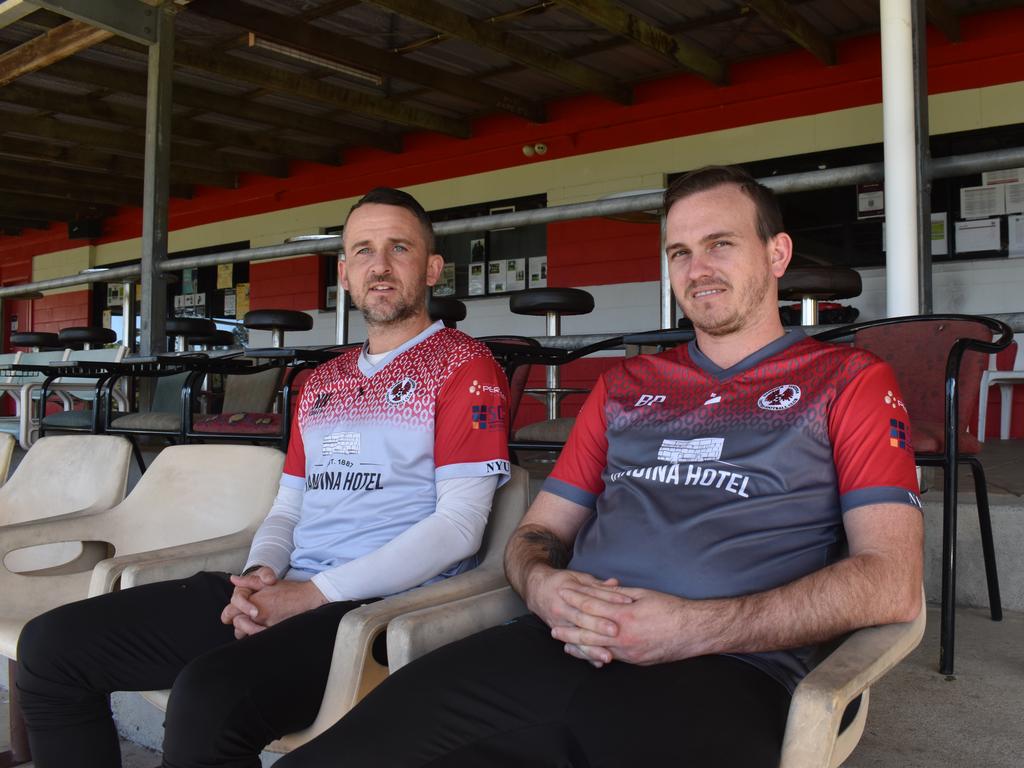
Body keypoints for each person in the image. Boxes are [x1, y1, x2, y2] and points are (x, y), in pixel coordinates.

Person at [274, 166, 924, 768]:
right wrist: (541, 588)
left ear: (776, 254)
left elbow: (892, 581)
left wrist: (689, 628)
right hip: (555, 644)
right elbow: (535, 536)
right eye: (679, 253)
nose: (698, 269)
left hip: (722, 670)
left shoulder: (847, 381)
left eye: (720, 243)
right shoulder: (624, 386)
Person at [16, 187, 511, 768]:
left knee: (209, 700)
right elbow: (289, 506)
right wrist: (260, 576)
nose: (379, 265)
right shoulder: (322, 381)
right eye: (362, 251)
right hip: (288, 585)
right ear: (345, 275)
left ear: (430, 270)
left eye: (399, 248)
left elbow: (459, 528)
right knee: (51, 648)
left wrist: (307, 596)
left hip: (374, 607)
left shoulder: (464, 366)